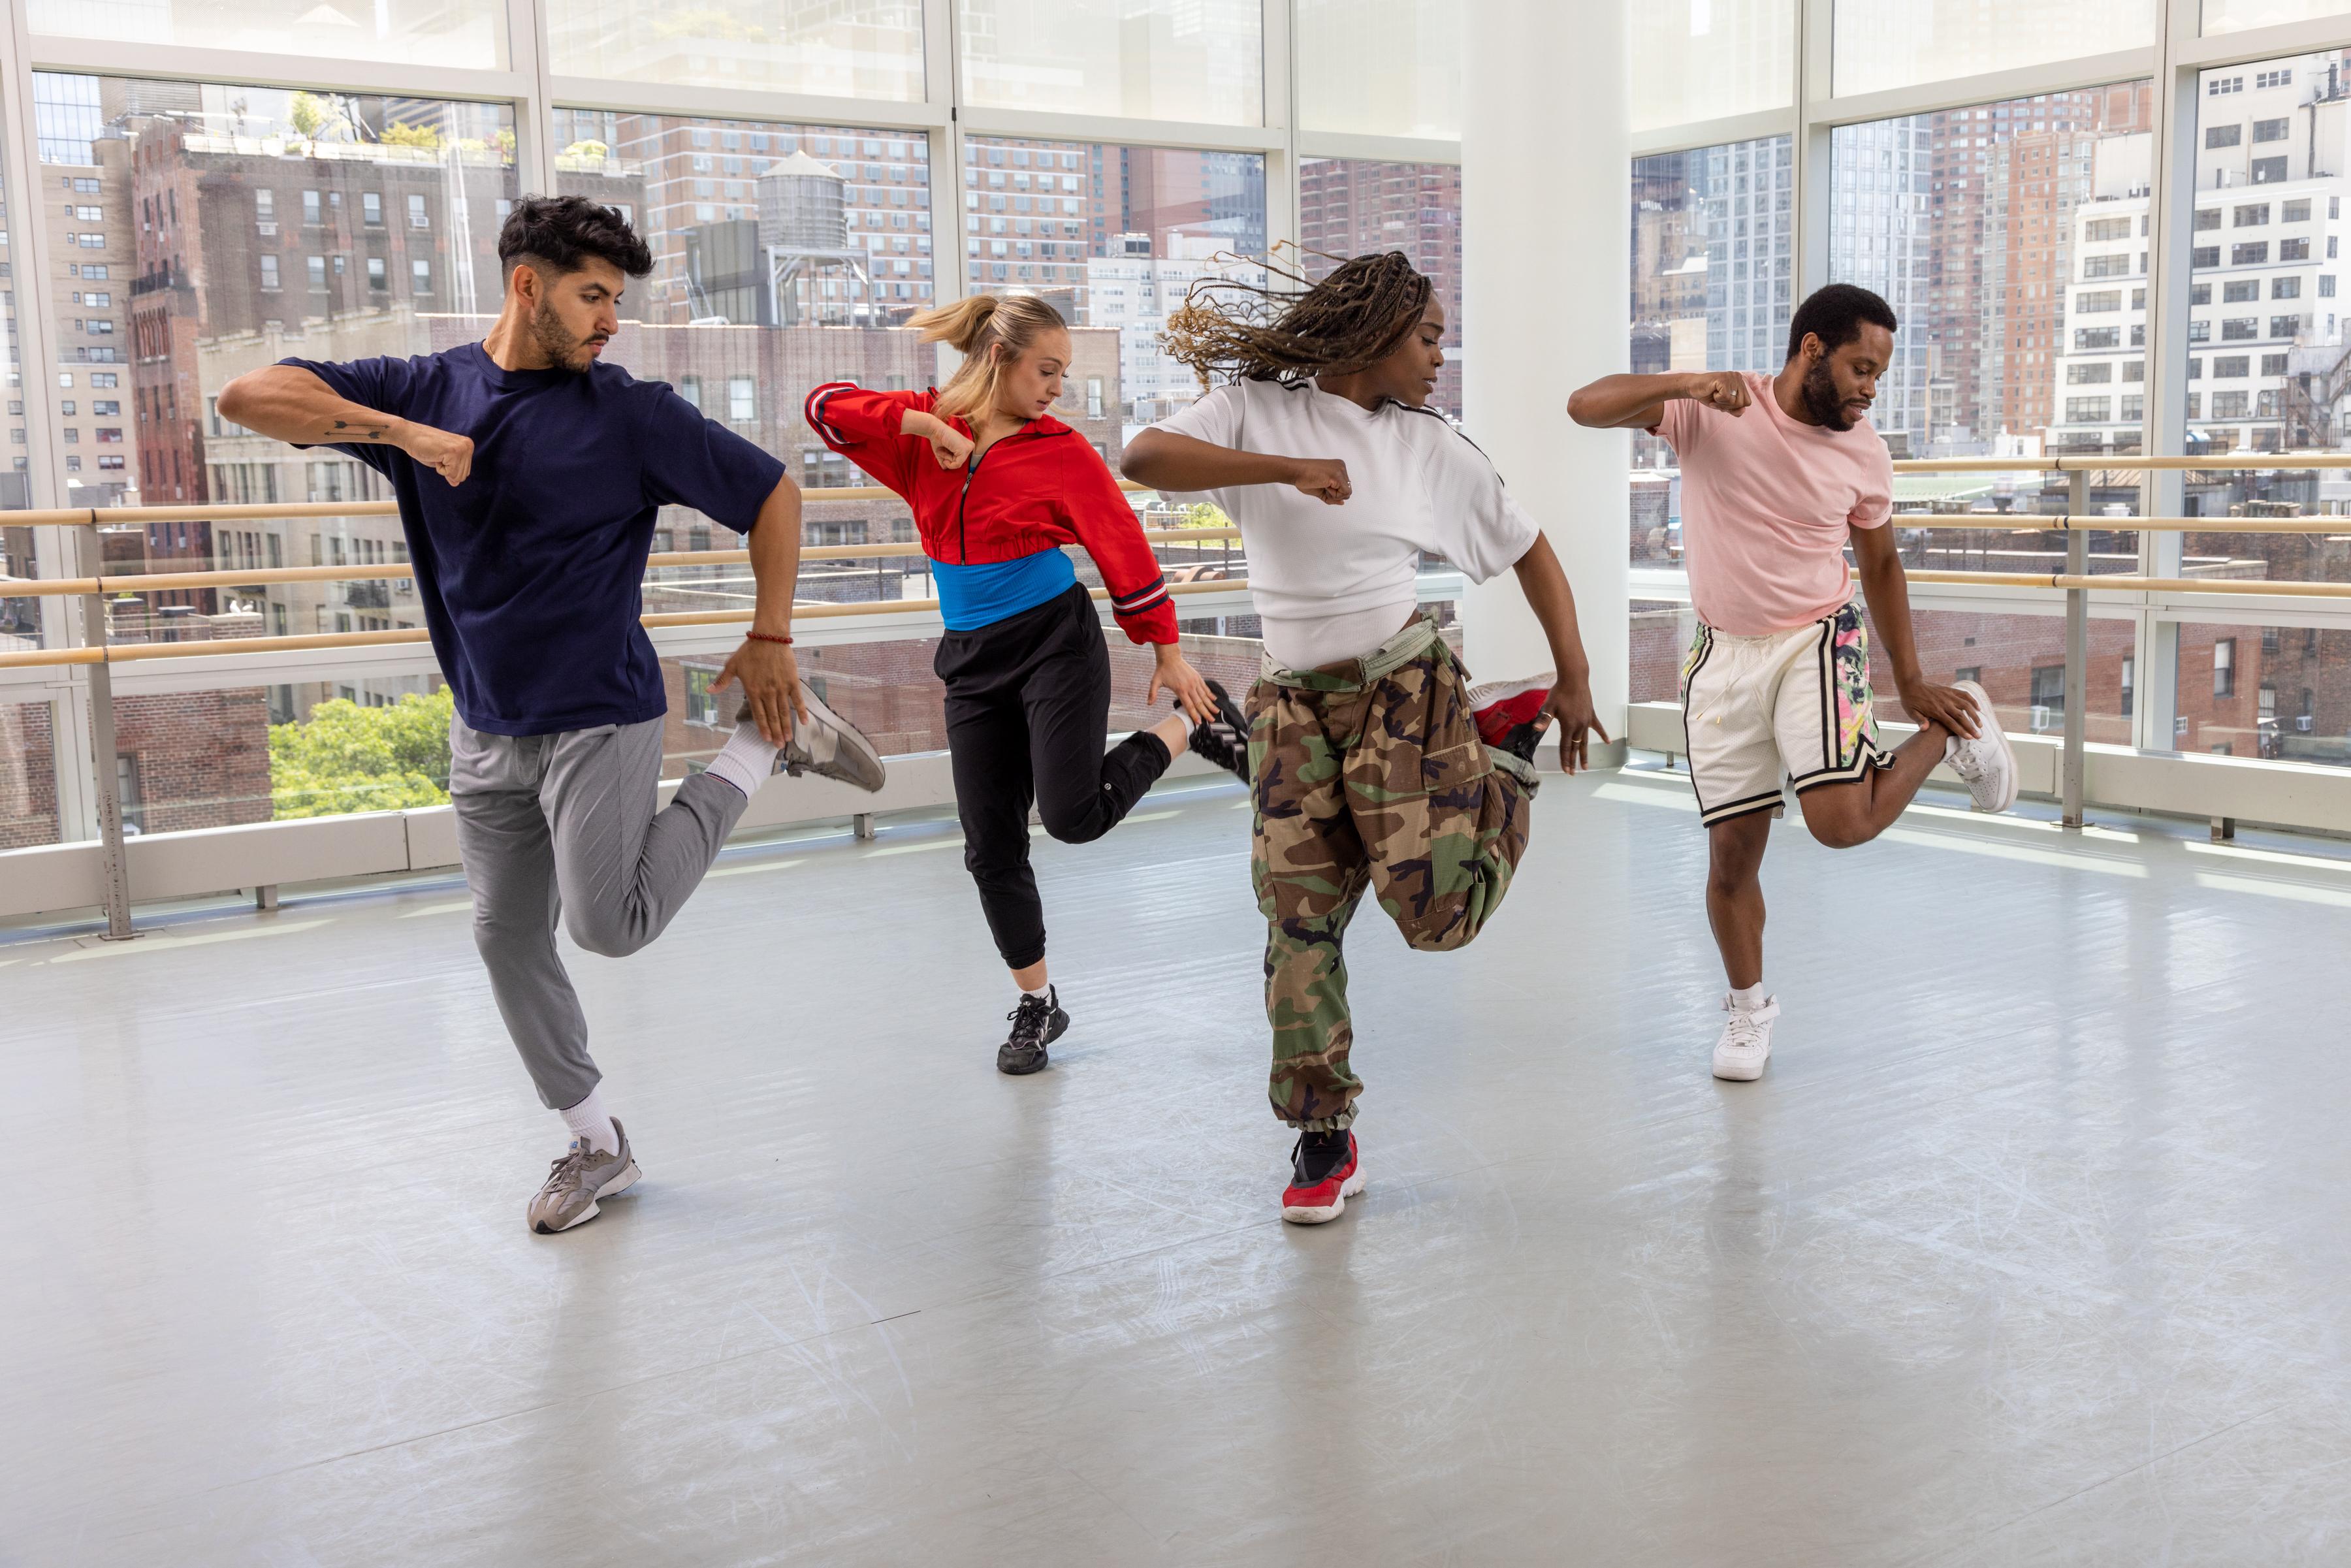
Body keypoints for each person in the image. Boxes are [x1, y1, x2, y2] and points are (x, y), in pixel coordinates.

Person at [216, 195, 888, 1235]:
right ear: (527, 286)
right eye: (592, 296)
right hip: (485, 721)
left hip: (598, 715)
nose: (610, 319)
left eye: (616, 299)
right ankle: (597, 1142)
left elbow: (773, 494)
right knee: (503, 937)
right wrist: (404, 437)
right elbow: (247, 395)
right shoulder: (424, 388)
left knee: (608, 926)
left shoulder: (629, 414)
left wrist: (772, 637)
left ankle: (762, 742)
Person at [1121, 251, 1604, 1224]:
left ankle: (1500, 757)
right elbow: (1142, 458)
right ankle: (1323, 1137)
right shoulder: (1255, 407)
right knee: (1295, 919)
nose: (1438, 357)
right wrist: (1285, 469)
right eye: (1427, 336)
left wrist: (1578, 676)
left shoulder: (1429, 446)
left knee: (1436, 918)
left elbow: (1530, 548)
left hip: (1402, 688)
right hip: (1295, 703)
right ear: (1373, 332)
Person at [1566, 282, 2019, 1084]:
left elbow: (1879, 562)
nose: (1868, 388)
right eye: (1858, 367)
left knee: (1842, 823)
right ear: (1811, 348)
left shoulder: (1864, 450)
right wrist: (1680, 385)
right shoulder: (1717, 408)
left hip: (1816, 635)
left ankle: (1954, 728)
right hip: (1722, 653)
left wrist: (1911, 682)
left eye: (1879, 373)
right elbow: (1584, 406)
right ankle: (1748, 1014)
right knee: (1732, 861)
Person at [805, 293, 1251, 1076]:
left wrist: (1168, 651)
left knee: (1074, 817)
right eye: (1046, 370)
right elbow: (825, 408)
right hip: (971, 659)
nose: (1056, 388)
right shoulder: (920, 432)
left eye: (1063, 374)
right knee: (990, 848)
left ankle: (1188, 723)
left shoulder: (1060, 449)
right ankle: (1038, 1004)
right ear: (997, 358)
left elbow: (1120, 539)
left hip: (1055, 642)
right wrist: (929, 426)